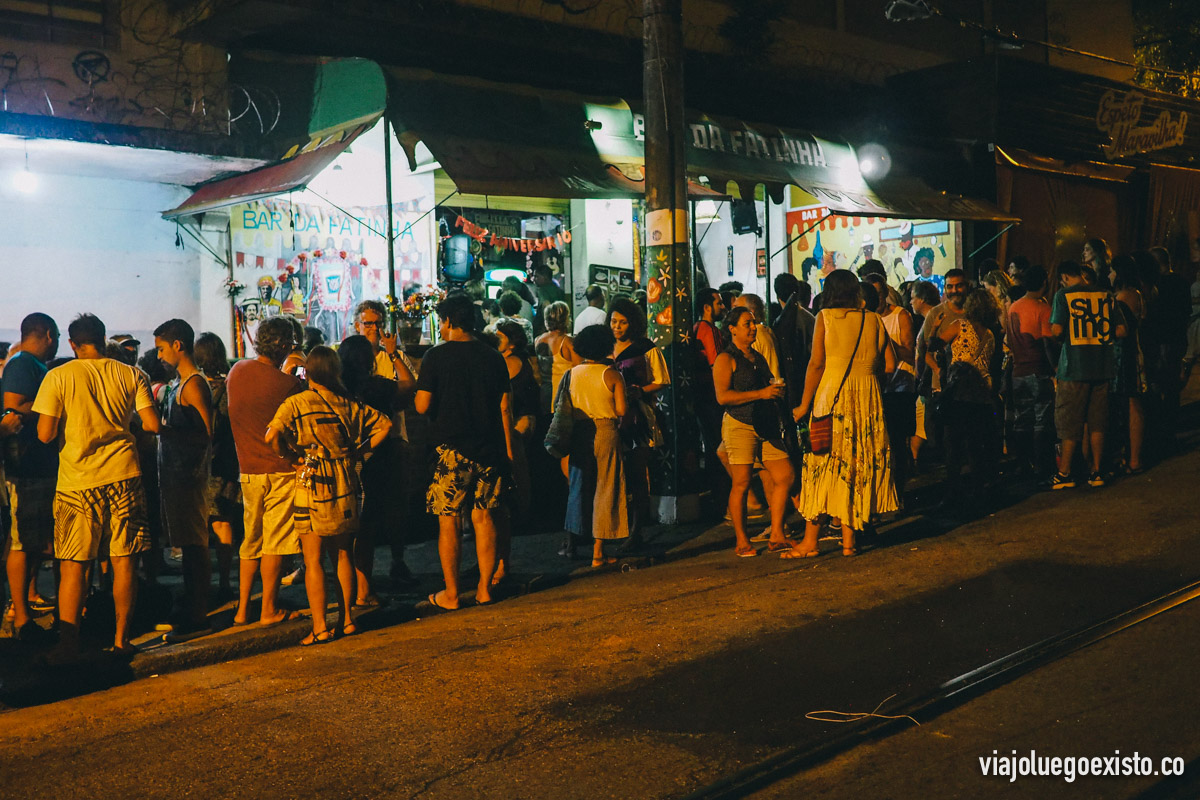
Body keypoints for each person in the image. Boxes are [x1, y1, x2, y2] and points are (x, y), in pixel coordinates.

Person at [33, 313, 160, 659]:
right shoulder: (132, 374)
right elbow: (151, 423)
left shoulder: (58, 376)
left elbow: (44, 434)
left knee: (75, 564)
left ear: (73, 344)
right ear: (104, 340)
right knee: (124, 561)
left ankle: (69, 644)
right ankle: (121, 640)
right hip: (125, 476)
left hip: (78, 482)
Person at [268, 346, 390, 645]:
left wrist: (290, 457)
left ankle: (320, 627)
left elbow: (271, 436)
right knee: (343, 553)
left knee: (313, 560)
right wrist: (360, 450)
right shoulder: (349, 403)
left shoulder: (296, 403)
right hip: (345, 482)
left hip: (311, 481)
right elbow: (384, 424)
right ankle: (348, 620)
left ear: (307, 372)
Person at [786, 271, 897, 559]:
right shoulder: (873, 319)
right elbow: (889, 364)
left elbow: (816, 364)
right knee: (856, 467)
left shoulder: (826, 317)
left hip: (832, 398)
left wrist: (803, 404)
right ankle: (849, 541)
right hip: (867, 399)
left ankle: (811, 543)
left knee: (822, 467)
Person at [415, 294, 514, 610]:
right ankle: (485, 589)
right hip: (488, 449)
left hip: (451, 451)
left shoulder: (435, 357)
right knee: (484, 518)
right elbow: (504, 405)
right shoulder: (493, 357)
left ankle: (452, 594)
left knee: (449, 520)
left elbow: (422, 405)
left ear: (446, 321)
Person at [227, 317, 303, 626]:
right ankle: (268, 609)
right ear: (284, 346)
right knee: (276, 541)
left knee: (251, 541)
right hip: (279, 469)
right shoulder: (289, 385)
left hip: (248, 470)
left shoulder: (237, 371)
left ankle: (243, 609)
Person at [153, 319, 216, 642]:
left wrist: (164, 431)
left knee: (194, 545)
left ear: (178, 345)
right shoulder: (179, 383)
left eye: (162, 348)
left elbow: (207, 434)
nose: (160, 356)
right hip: (176, 474)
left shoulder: (193, 384)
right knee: (187, 544)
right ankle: (192, 605)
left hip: (190, 476)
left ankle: (198, 612)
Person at [713, 307, 793, 557]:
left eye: (754, 322)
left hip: (764, 424)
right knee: (742, 482)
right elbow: (723, 396)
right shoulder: (726, 359)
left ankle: (777, 533)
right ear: (732, 329)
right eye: (747, 323)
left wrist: (775, 389)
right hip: (740, 425)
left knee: (785, 475)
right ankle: (742, 540)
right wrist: (761, 394)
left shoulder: (757, 357)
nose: (753, 327)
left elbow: (768, 383)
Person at [351, 299, 418, 590]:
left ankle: (397, 560)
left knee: (396, 504)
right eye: (368, 323)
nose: (374, 329)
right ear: (357, 325)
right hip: (360, 446)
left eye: (378, 323)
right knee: (362, 510)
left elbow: (408, 391)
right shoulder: (351, 359)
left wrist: (393, 355)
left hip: (392, 440)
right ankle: (361, 575)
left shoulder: (393, 356)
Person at [2, 313, 60, 642]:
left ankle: (23, 606)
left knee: (33, 541)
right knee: (22, 541)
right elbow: (13, 407)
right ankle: (20, 614)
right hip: (27, 469)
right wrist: (50, 407)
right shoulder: (23, 363)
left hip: (37, 466)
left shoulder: (29, 365)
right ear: (48, 335)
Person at [1049, 260, 1126, 489]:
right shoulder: (1106, 294)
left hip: (1073, 369)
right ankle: (1097, 471)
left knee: (1069, 423)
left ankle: (1065, 474)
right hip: (1102, 367)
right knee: (1098, 422)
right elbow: (1122, 330)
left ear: (1064, 277)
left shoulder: (1063, 296)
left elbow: (1057, 330)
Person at [563, 324, 629, 566]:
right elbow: (621, 409)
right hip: (605, 431)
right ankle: (599, 551)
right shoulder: (611, 375)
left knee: (579, 487)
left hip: (579, 432)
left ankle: (571, 541)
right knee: (606, 487)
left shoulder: (572, 373)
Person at [609, 298, 670, 546]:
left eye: (623, 322)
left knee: (636, 474)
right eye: (613, 321)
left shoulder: (646, 348)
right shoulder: (604, 347)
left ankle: (636, 529)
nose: (617, 327)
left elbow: (662, 379)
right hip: (610, 417)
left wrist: (641, 391)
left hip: (638, 419)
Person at [934, 290, 1000, 504]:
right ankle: (977, 488)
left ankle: (953, 490)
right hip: (982, 392)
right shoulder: (990, 334)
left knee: (953, 444)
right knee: (975, 444)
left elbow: (935, 344)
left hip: (960, 391)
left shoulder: (961, 326)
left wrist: (934, 328)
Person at [494, 318, 540, 583]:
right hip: (514, 423)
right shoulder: (506, 361)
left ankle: (521, 514)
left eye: (499, 336)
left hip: (519, 424)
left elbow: (517, 401)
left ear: (510, 342)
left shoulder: (515, 363)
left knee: (519, 470)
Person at [194, 332, 239, 600]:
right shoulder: (231, 385)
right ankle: (224, 582)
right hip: (227, 461)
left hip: (201, 465)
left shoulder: (196, 385)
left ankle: (203, 583)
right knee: (225, 524)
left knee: (201, 528)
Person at [1005, 265, 1057, 478]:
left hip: (1018, 372)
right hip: (1038, 370)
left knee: (1022, 419)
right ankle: (1042, 467)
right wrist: (1054, 369)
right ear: (1044, 283)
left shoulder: (1013, 307)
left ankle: (1023, 464)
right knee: (1041, 420)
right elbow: (1047, 342)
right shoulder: (1042, 309)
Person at [1108, 255, 1148, 474]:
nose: (1109, 275)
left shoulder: (1124, 296)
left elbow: (1121, 330)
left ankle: (1133, 458)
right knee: (1133, 403)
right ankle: (1132, 456)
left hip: (1125, 354)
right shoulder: (1138, 294)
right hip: (1133, 351)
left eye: (1112, 271)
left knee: (1131, 404)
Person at [534, 301, 580, 415]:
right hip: (564, 394)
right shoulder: (568, 342)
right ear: (565, 319)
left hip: (544, 393)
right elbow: (580, 370)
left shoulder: (538, 340)